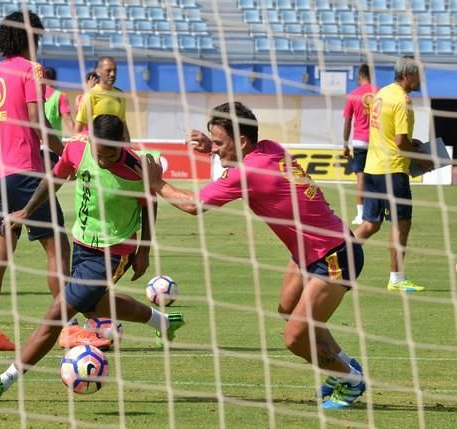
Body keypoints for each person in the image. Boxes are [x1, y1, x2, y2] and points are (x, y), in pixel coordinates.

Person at [141, 102, 366, 409]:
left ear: (242, 141)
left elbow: (194, 205)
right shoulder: (268, 148)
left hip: (334, 256)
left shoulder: (248, 172)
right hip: (310, 252)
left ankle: (350, 380)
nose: (216, 150)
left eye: (220, 143)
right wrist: (214, 147)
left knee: (295, 337)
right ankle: (341, 365)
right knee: (288, 309)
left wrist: (156, 183)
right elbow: (240, 164)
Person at [0, 114, 185, 402]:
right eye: (99, 152)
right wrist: (26, 211)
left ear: (121, 144)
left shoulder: (138, 168)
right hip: (82, 245)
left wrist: (144, 249)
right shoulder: (76, 149)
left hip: (114, 252)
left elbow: (150, 204)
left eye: (111, 153)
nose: (104, 160)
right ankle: (162, 322)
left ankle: (5, 380)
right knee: (95, 307)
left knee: (54, 316)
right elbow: (54, 180)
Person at [0, 11, 70, 352]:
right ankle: (68, 328)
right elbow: (36, 122)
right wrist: (65, 153)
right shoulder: (31, 70)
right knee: (57, 247)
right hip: (24, 171)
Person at [354, 57, 433, 293]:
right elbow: (399, 143)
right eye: (419, 74)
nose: (422, 79)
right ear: (407, 76)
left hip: (373, 167)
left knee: (370, 224)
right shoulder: (403, 100)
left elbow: (388, 132)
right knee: (401, 223)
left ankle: (335, 259)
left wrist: (412, 143)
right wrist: (421, 158)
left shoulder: (383, 94)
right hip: (393, 170)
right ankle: (397, 278)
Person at [342, 64, 377, 225]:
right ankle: (382, 211)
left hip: (360, 140)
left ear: (360, 76)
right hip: (378, 141)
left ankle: (361, 214)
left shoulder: (354, 94)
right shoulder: (380, 92)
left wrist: (345, 144)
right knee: (379, 176)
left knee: (361, 177)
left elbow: (348, 122)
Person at [74, 57, 130, 141]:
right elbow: (79, 126)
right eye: (108, 70)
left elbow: (123, 124)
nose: (112, 74)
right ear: (98, 71)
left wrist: (129, 145)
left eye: (115, 70)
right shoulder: (90, 95)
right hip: (96, 148)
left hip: (115, 149)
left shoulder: (120, 95)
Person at [43, 67, 74, 136]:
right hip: (54, 142)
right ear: (55, 79)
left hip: (37, 141)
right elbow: (68, 121)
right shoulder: (60, 96)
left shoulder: (33, 94)